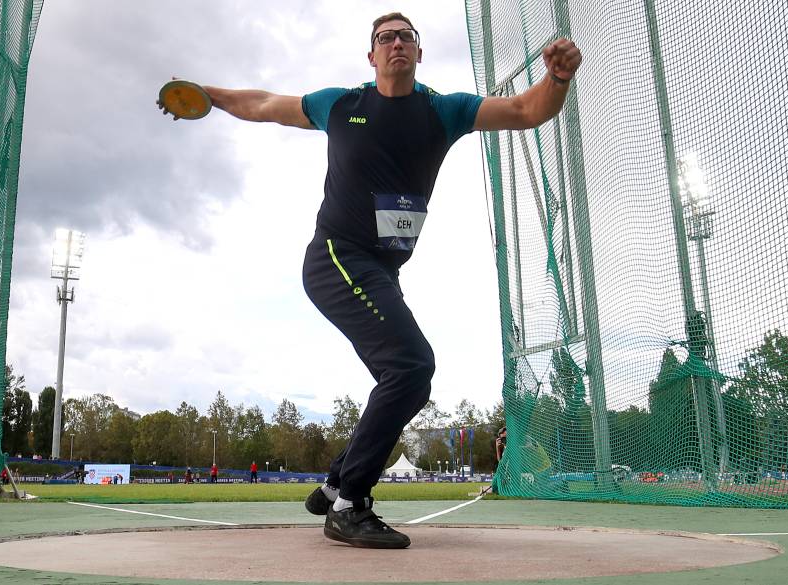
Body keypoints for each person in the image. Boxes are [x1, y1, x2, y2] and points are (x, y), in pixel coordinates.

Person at [159, 12, 580, 549]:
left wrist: (557, 78)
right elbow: (264, 105)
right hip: (337, 257)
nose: (396, 43)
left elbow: (525, 110)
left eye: (406, 36)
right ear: (372, 55)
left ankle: (338, 481)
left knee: (406, 379)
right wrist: (208, 94)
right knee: (411, 366)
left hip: (382, 270)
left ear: (419, 52)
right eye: (385, 38)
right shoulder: (341, 105)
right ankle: (349, 504)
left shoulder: (443, 110)